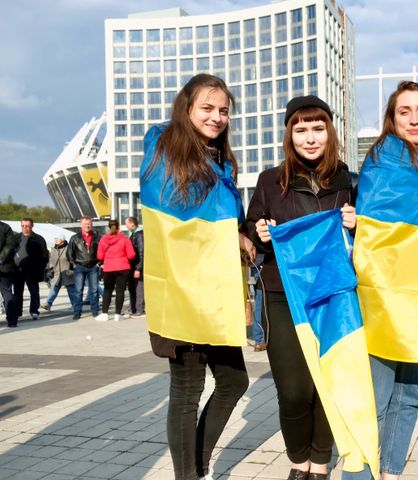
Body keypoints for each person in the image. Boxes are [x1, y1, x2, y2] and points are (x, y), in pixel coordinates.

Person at [140, 73, 254, 479]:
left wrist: (239, 234)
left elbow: (221, 222)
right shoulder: (164, 150)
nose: (217, 117)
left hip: (214, 293)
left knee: (234, 382)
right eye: (207, 108)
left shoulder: (219, 160)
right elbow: (178, 218)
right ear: (186, 108)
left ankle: (196, 466)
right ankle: (188, 475)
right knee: (187, 392)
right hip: (181, 293)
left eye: (223, 110)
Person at [345, 81, 418, 480]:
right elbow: (380, 227)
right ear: (391, 119)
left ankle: (391, 473)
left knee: (409, 395)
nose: (413, 118)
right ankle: (360, 474)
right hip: (385, 299)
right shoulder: (385, 161)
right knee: (377, 398)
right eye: (403, 111)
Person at [246, 95, 356, 480]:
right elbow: (250, 229)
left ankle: (320, 462)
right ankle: (298, 459)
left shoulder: (349, 181)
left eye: (317, 128)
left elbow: (374, 237)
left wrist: (359, 223)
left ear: (330, 132)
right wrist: (258, 234)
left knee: (327, 383)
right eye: (301, 129)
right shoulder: (269, 182)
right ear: (289, 135)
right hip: (282, 295)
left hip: (333, 297)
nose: (310, 138)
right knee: (293, 389)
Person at [96, 219, 135, 322]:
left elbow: (99, 256)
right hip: (123, 268)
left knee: (107, 290)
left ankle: (105, 314)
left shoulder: (104, 239)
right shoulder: (125, 238)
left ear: (109, 227)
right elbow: (131, 255)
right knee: (120, 291)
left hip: (109, 268)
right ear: (119, 227)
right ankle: (117, 315)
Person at [14, 218, 48, 320]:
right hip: (17, 270)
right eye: (23, 226)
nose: (25, 228)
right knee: (17, 292)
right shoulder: (16, 238)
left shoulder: (38, 239)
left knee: (34, 292)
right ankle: (17, 312)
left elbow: (45, 256)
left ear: (32, 226)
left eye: (27, 226)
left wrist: (40, 268)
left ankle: (34, 311)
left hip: (32, 271)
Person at [67, 216, 101, 320]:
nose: (87, 226)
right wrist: (74, 264)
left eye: (89, 224)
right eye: (85, 224)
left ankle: (95, 311)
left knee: (94, 290)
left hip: (93, 267)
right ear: (81, 225)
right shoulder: (74, 238)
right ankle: (77, 312)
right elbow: (69, 253)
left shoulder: (97, 237)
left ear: (92, 224)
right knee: (78, 290)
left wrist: (99, 263)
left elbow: (102, 251)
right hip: (80, 267)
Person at [41, 236, 79, 313]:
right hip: (57, 273)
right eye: (55, 238)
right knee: (54, 289)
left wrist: (73, 267)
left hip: (67, 272)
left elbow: (73, 258)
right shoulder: (53, 249)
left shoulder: (68, 248)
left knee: (71, 290)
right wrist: (50, 269)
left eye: (57, 238)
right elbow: (51, 260)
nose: (55, 240)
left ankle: (75, 306)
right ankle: (48, 304)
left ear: (62, 239)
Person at [0, 221, 19, 327]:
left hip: (4, 265)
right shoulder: (5, 227)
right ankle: (12, 320)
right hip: (5, 265)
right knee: (7, 293)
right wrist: (1, 258)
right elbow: (11, 244)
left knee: (7, 294)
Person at [125, 216, 145, 318]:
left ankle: (139, 309)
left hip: (137, 266)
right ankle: (133, 308)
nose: (126, 225)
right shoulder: (133, 235)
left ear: (133, 224)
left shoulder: (139, 235)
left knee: (139, 288)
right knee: (133, 287)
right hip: (133, 266)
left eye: (127, 223)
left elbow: (142, 253)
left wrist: (138, 268)